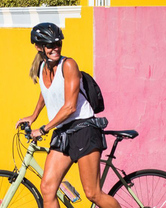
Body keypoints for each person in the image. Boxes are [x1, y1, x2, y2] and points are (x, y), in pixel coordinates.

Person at [15, 22, 120, 208]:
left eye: (58, 43)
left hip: (84, 131)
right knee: (47, 189)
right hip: (63, 132)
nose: (55, 48)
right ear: (40, 47)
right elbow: (46, 91)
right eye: (50, 45)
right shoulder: (42, 67)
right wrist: (33, 115)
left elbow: (70, 107)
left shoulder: (68, 65)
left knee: (93, 193)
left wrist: (44, 128)